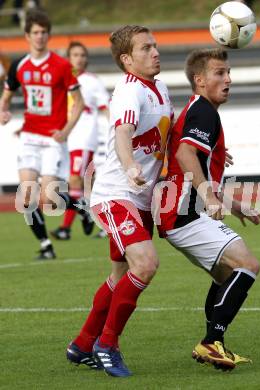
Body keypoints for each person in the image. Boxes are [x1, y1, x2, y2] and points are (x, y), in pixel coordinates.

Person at [66, 25, 173, 377]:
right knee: (145, 264)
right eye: (146, 48)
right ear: (127, 60)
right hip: (116, 193)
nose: (155, 52)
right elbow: (123, 135)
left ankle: (82, 344)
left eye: (155, 46)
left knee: (119, 276)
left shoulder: (159, 87)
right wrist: (129, 168)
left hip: (140, 197)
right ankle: (107, 344)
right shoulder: (129, 93)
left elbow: (161, 139)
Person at [156, 48, 260, 371]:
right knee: (247, 265)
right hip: (183, 212)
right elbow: (186, 154)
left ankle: (214, 345)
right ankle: (210, 342)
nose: (227, 79)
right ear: (199, 81)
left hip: (179, 210)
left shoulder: (200, 110)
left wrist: (231, 203)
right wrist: (210, 196)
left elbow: (192, 159)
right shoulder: (204, 111)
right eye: (219, 73)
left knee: (227, 273)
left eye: (228, 73)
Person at [0, 9, 94, 260]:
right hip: (30, 137)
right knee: (26, 198)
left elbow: (80, 101)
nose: (40, 37)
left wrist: (65, 131)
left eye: (44, 32)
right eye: (36, 33)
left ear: (48, 35)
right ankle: (45, 246)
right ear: (27, 36)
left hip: (53, 140)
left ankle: (81, 207)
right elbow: (7, 95)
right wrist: (4, 111)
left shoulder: (62, 66)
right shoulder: (19, 65)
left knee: (49, 199)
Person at [51, 41, 110, 240]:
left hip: (84, 137)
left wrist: (118, 131)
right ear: (69, 58)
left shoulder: (92, 81)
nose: (80, 58)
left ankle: (66, 228)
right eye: (75, 54)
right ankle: (102, 222)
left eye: (83, 55)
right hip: (68, 138)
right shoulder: (63, 79)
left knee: (75, 180)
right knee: (88, 186)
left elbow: (106, 108)